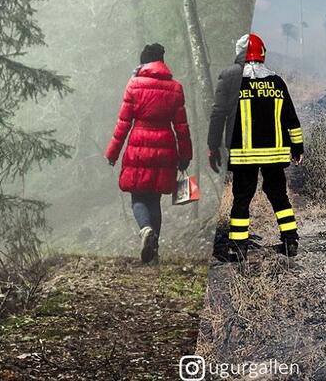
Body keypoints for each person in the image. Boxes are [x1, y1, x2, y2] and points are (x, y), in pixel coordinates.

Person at [207, 33, 304, 260]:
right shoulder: (277, 82)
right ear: (262, 54)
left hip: (244, 156)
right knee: (279, 195)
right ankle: (290, 240)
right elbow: (291, 118)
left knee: (242, 198)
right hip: (274, 155)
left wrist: (213, 145)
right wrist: (297, 148)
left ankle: (239, 247)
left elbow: (218, 115)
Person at [105, 43, 192, 264]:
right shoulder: (175, 87)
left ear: (143, 62)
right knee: (154, 199)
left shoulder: (134, 84)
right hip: (165, 147)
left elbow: (123, 123)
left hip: (139, 145)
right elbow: (181, 126)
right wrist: (185, 155)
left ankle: (145, 229)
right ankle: (154, 252)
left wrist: (112, 153)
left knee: (138, 196)